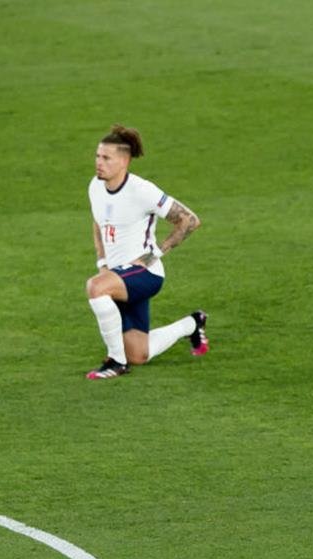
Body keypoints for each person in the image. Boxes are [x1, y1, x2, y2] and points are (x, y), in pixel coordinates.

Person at [85, 124, 208, 380]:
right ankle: (193, 324)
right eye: (97, 156)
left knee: (96, 288)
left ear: (124, 161)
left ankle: (115, 362)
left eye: (106, 158)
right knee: (139, 354)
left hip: (145, 274)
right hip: (118, 277)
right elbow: (98, 222)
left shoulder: (142, 191)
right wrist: (102, 262)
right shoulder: (95, 187)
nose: (99, 162)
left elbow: (189, 220)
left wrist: (155, 254)